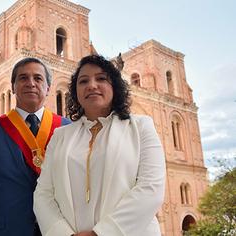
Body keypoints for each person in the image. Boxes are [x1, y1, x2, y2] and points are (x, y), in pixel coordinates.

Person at [33, 54, 166, 236]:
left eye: (101, 78)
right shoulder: (60, 136)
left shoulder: (141, 127)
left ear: (115, 86)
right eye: (83, 81)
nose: (91, 85)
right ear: (76, 92)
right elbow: (43, 193)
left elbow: (151, 188)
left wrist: (101, 234)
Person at [0, 57, 70, 236]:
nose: (31, 83)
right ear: (13, 87)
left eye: (38, 78)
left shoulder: (68, 128)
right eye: (23, 78)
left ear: (48, 88)